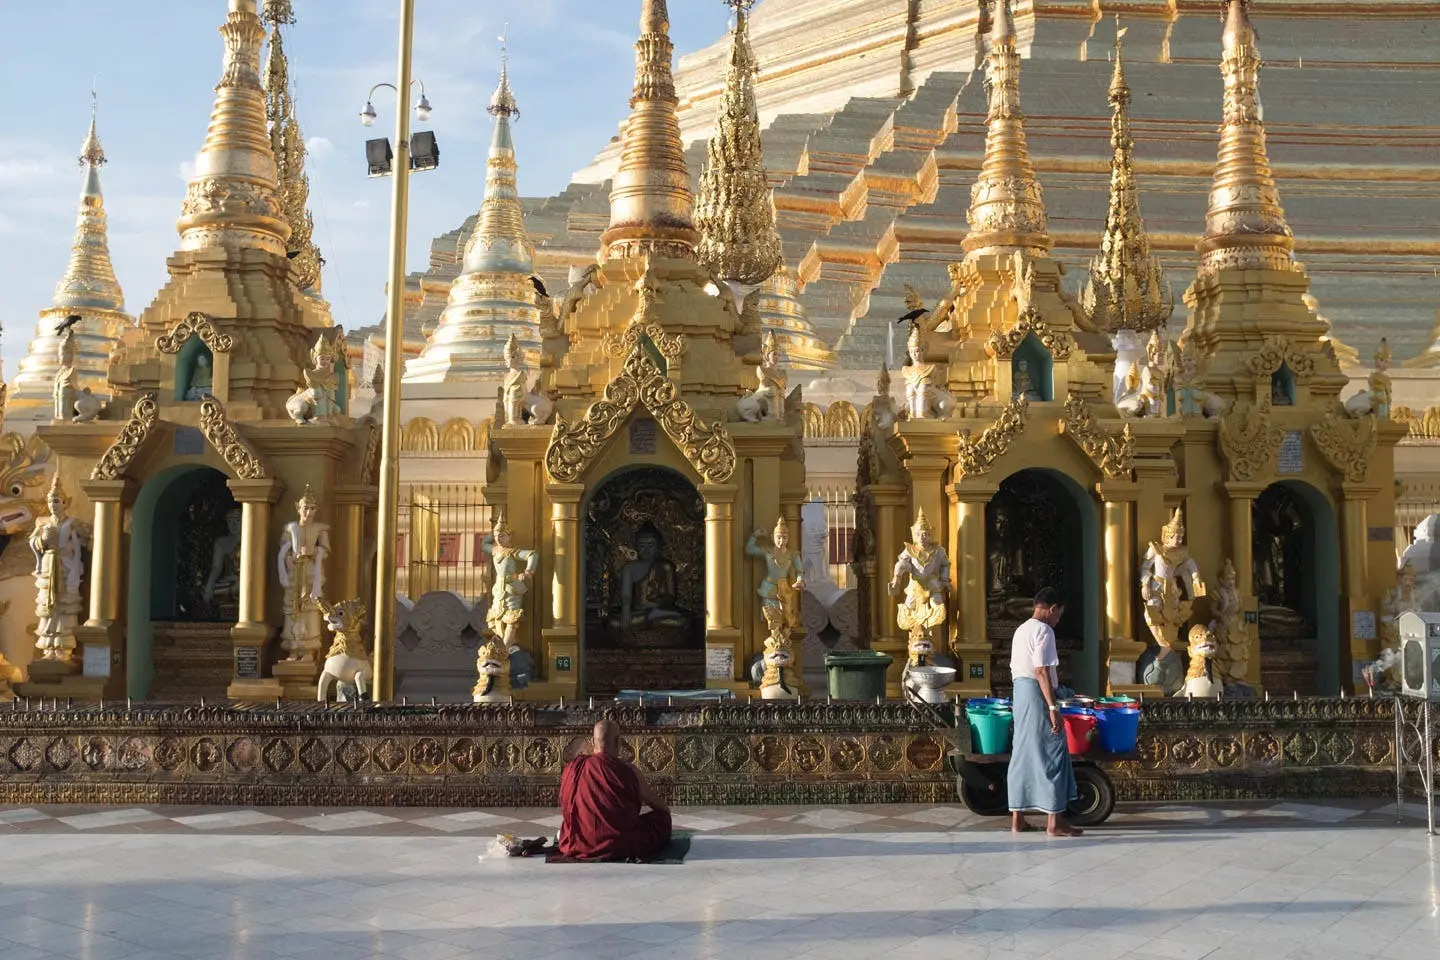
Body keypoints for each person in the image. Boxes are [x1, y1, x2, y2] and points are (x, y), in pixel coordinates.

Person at [1007, 587, 1082, 837]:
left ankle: (1018, 819)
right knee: (1054, 750)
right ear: (1052, 609)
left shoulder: (1021, 630)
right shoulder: (1044, 630)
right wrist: (1053, 708)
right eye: (1059, 614)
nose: (1058, 619)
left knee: (1023, 751)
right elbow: (1040, 670)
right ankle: (1054, 822)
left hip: (1020, 694)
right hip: (1037, 695)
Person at [558, 719, 672, 861]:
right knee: (662, 819)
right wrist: (666, 812)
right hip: (619, 845)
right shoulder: (628, 770)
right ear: (618, 742)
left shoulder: (574, 768)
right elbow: (654, 802)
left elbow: (565, 806)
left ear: (593, 742)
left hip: (579, 844)